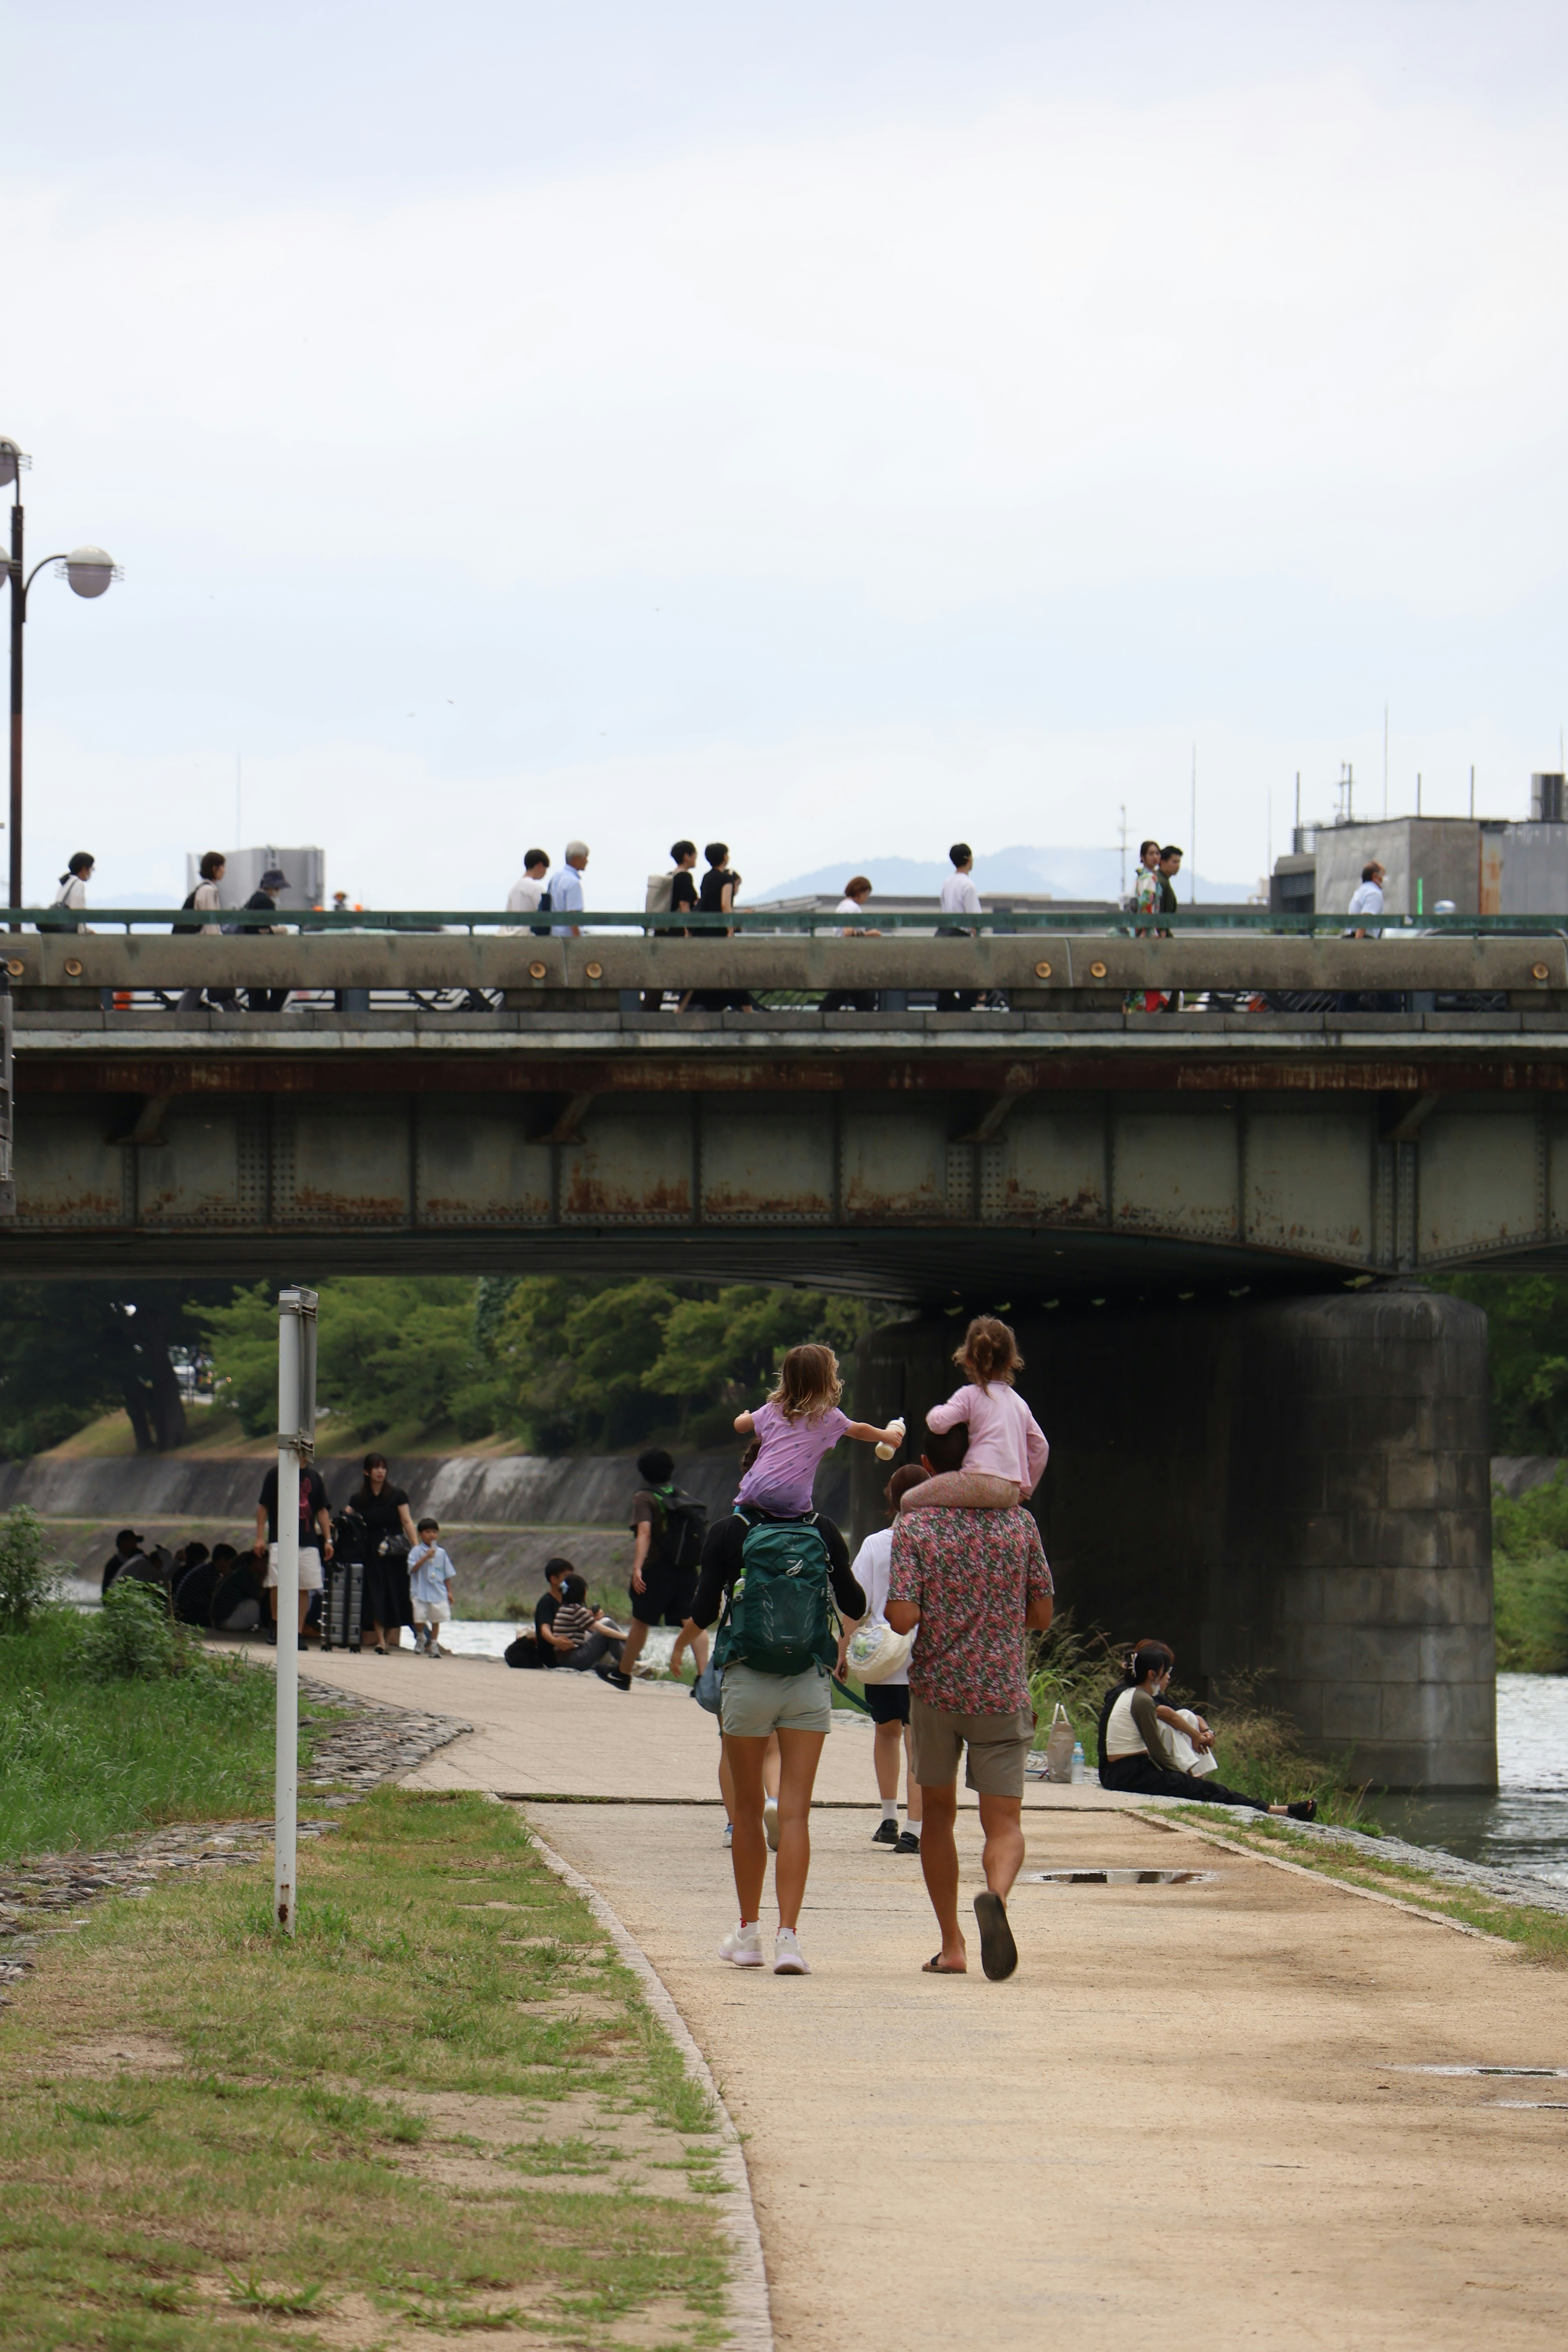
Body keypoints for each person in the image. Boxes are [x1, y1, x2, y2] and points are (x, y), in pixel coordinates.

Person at [886, 1421, 1054, 1980]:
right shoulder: (1019, 1523)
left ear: (929, 1467)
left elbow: (904, 1616)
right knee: (1003, 1821)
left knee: (937, 1817)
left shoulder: (916, 1525)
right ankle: (998, 1898)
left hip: (937, 1692)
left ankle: (953, 1946)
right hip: (1001, 1690)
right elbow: (1041, 1616)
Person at [683, 1493, 867, 1976]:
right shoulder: (823, 1529)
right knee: (795, 1814)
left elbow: (702, 1611)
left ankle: (748, 1935)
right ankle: (790, 1939)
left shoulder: (729, 1530)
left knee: (746, 1811)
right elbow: (856, 1603)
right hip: (807, 1681)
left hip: (746, 1680)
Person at [1098, 1641, 1317, 1818]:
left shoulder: (1135, 1696)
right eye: (1167, 1672)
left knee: (1202, 1787)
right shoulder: (1142, 1700)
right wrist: (1184, 1775)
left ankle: (1275, 1809)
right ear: (1153, 1675)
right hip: (1128, 1774)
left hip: (1126, 1772)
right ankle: (1276, 1810)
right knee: (1206, 1790)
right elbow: (1157, 1751)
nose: (1169, 1678)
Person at [841, 1463, 927, 1853]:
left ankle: (889, 1817)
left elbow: (855, 1605)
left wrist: (841, 1651)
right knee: (917, 1743)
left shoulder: (876, 1544)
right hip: (923, 1661)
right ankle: (914, 1828)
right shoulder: (935, 1544)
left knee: (885, 1734)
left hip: (880, 1658)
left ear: (889, 1500)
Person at [733, 1343, 904, 1517]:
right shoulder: (829, 1418)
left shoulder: (773, 1409)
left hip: (757, 1487)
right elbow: (860, 1430)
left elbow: (740, 1426)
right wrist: (886, 1435)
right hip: (792, 1498)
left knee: (741, 1517)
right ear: (827, 1381)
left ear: (786, 1378)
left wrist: (744, 1415)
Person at [904, 1314, 1049, 1514]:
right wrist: (1025, 1491)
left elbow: (938, 1424)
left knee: (909, 1500)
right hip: (1010, 1491)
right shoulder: (1020, 1404)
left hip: (978, 1482)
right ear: (1010, 1361)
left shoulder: (970, 1395)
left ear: (969, 1360)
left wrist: (935, 1410)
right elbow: (1041, 1447)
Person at [619, 1448, 709, 1691]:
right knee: (691, 1620)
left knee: (642, 1620)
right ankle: (704, 1679)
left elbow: (645, 1533)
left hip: (656, 1570)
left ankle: (623, 1674)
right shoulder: (683, 1496)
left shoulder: (645, 1498)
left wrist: (637, 1568)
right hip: (687, 1568)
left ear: (643, 1473)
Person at [252, 1455, 334, 1646]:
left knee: (304, 1586)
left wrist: (328, 1540)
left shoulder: (314, 1477)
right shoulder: (276, 1473)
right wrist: (259, 1537)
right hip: (280, 1537)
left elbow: (322, 1510)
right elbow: (264, 1506)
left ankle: (297, 1631)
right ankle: (276, 1624)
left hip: (307, 1539)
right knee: (277, 1583)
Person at [342, 1452, 418, 1655]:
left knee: (397, 1592)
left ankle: (405, 1635)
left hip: (395, 1553)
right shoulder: (360, 1499)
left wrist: (416, 1546)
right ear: (367, 1472)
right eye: (376, 1468)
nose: (381, 1472)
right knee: (376, 1593)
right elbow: (345, 1518)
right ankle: (381, 1641)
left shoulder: (397, 1495)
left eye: (383, 1468)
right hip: (372, 1552)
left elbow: (407, 1521)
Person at [177, 851, 234, 1011]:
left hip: (199, 946)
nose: (225, 870)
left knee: (199, 985)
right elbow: (211, 923)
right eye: (223, 867)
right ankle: (236, 1017)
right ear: (215, 868)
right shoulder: (209, 891)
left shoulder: (202, 889)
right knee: (206, 984)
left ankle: (182, 1017)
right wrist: (217, 946)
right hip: (206, 948)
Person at [550, 1572, 627, 1677]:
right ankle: (629, 1663)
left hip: (564, 1659)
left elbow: (590, 1627)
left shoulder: (564, 1608)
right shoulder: (576, 1610)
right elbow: (604, 1631)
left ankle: (630, 1660)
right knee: (608, 1625)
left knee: (607, 1625)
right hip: (575, 1659)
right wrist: (628, 1638)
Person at [823, 876, 880, 1014]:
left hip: (842, 957)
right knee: (846, 992)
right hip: (850, 958)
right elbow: (848, 932)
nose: (866, 898)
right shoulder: (852, 908)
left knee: (852, 993)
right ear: (860, 892)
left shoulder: (843, 906)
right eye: (867, 894)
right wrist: (870, 934)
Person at [936, 842, 981, 1013]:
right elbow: (974, 919)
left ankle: (945, 1009)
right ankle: (962, 1009)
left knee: (946, 981)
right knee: (971, 981)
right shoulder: (968, 885)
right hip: (961, 937)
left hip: (944, 935)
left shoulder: (947, 882)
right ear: (969, 859)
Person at [503, 1557, 571, 1667]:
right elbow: (545, 1630)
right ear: (554, 1580)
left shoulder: (568, 1601)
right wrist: (557, 1642)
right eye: (567, 1577)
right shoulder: (546, 1603)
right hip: (553, 1656)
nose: (570, 1581)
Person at [242, 864, 291, 1012]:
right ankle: (267, 1017)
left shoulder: (254, 899)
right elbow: (264, 930)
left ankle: (259, 1020)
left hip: (250, 954)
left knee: (257, 995)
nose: (279, 891)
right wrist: (281, 931)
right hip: (262, 955)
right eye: (279, 888)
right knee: (283, 987)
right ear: (273, 887)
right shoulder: (266, 902)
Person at [408, 1517, 456, 1655]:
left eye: (434, 1532)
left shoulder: (441, 1553)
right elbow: (412, 1569)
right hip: (420, 1591)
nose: (432, 1535)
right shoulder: (416, 1551)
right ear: (421, 1535)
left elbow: (447, 1574)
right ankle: (421, 1637)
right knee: (419, 1617)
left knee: (437, 1618)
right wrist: (425, 1557)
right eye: (428, 1532)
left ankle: (434, 1643)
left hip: (437, 1591)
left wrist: (449, 1592)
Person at [548, 841, 590, 938]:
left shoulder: (555, 878)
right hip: (568, 938)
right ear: (577, 859)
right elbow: (573, 915)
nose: (587, 861)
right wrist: (578, 941)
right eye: (585, 857)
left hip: (553, 936)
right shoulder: (573, 883)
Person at [44, 851, 94, 931]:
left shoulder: (66, 882)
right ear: (84, 869)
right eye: (92, 869)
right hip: (70, 933)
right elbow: (79, 915)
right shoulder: (79, 884)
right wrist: (85, 933)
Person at [504, 848, 551, 931]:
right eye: (546, 868)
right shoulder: (536, 888)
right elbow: (545, 914)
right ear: (539, 865)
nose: (546, 872)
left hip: (514, 934)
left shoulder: (514, 888)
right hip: (530, 935)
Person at [100, 1527, 146, 1595]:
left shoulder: (139, 1562)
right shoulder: (113, 1565)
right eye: (132, 1542)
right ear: (122, 1543)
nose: (135, 1546)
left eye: (135, 1543)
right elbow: (107, 1591)